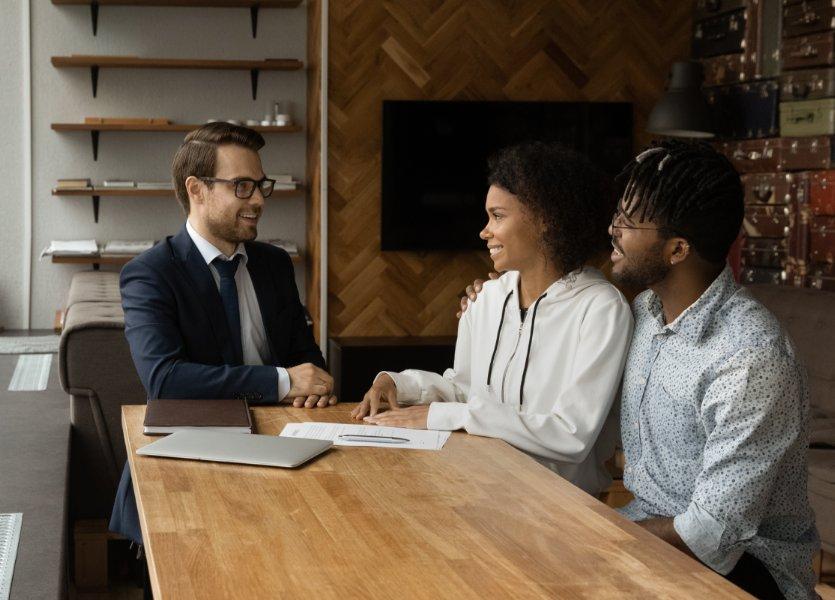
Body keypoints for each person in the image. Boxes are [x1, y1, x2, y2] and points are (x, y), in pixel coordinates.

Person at [461, 140, 820, 599]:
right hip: (644, 530)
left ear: (677, 249)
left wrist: (585, 538)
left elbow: (711, 534)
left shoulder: (750, 359)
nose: (611, 230)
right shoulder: (648, 311)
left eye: (628, 223)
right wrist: (489, 300)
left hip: (741, 571)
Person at [352, 141, 634, 496]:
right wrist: (398, 385)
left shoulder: (602, 310)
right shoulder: (485, 299)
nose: (484, 231)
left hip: (563, 507)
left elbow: (571, 435)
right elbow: (465, 390)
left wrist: (446, 416)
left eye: (497, 216)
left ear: (546, 219)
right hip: (480, 487)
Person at [110, 123, 337, 544]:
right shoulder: (150, 274)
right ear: (196, 189)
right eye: (243, 186)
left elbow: (308, 361)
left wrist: (311, 384)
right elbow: (165, 380)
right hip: (185, 467)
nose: (257, 200)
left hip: (281, 458)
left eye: (260, 185)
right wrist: (283, 381)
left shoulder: (274, 265)